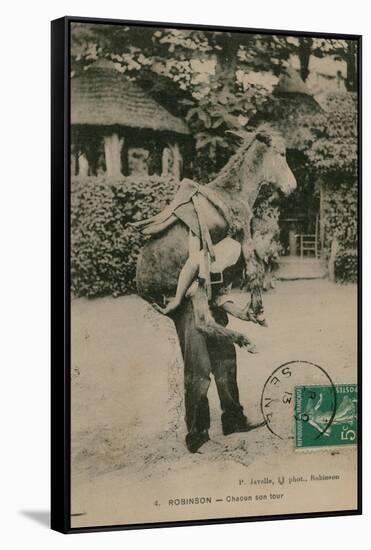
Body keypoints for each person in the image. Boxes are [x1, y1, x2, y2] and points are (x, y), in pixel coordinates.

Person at [153, 231, 242, 315]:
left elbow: (195, 261)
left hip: (212, 268)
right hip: (207, 272)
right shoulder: (232, 247)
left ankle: (177, 300)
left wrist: (178, 299)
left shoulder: (233, 247)